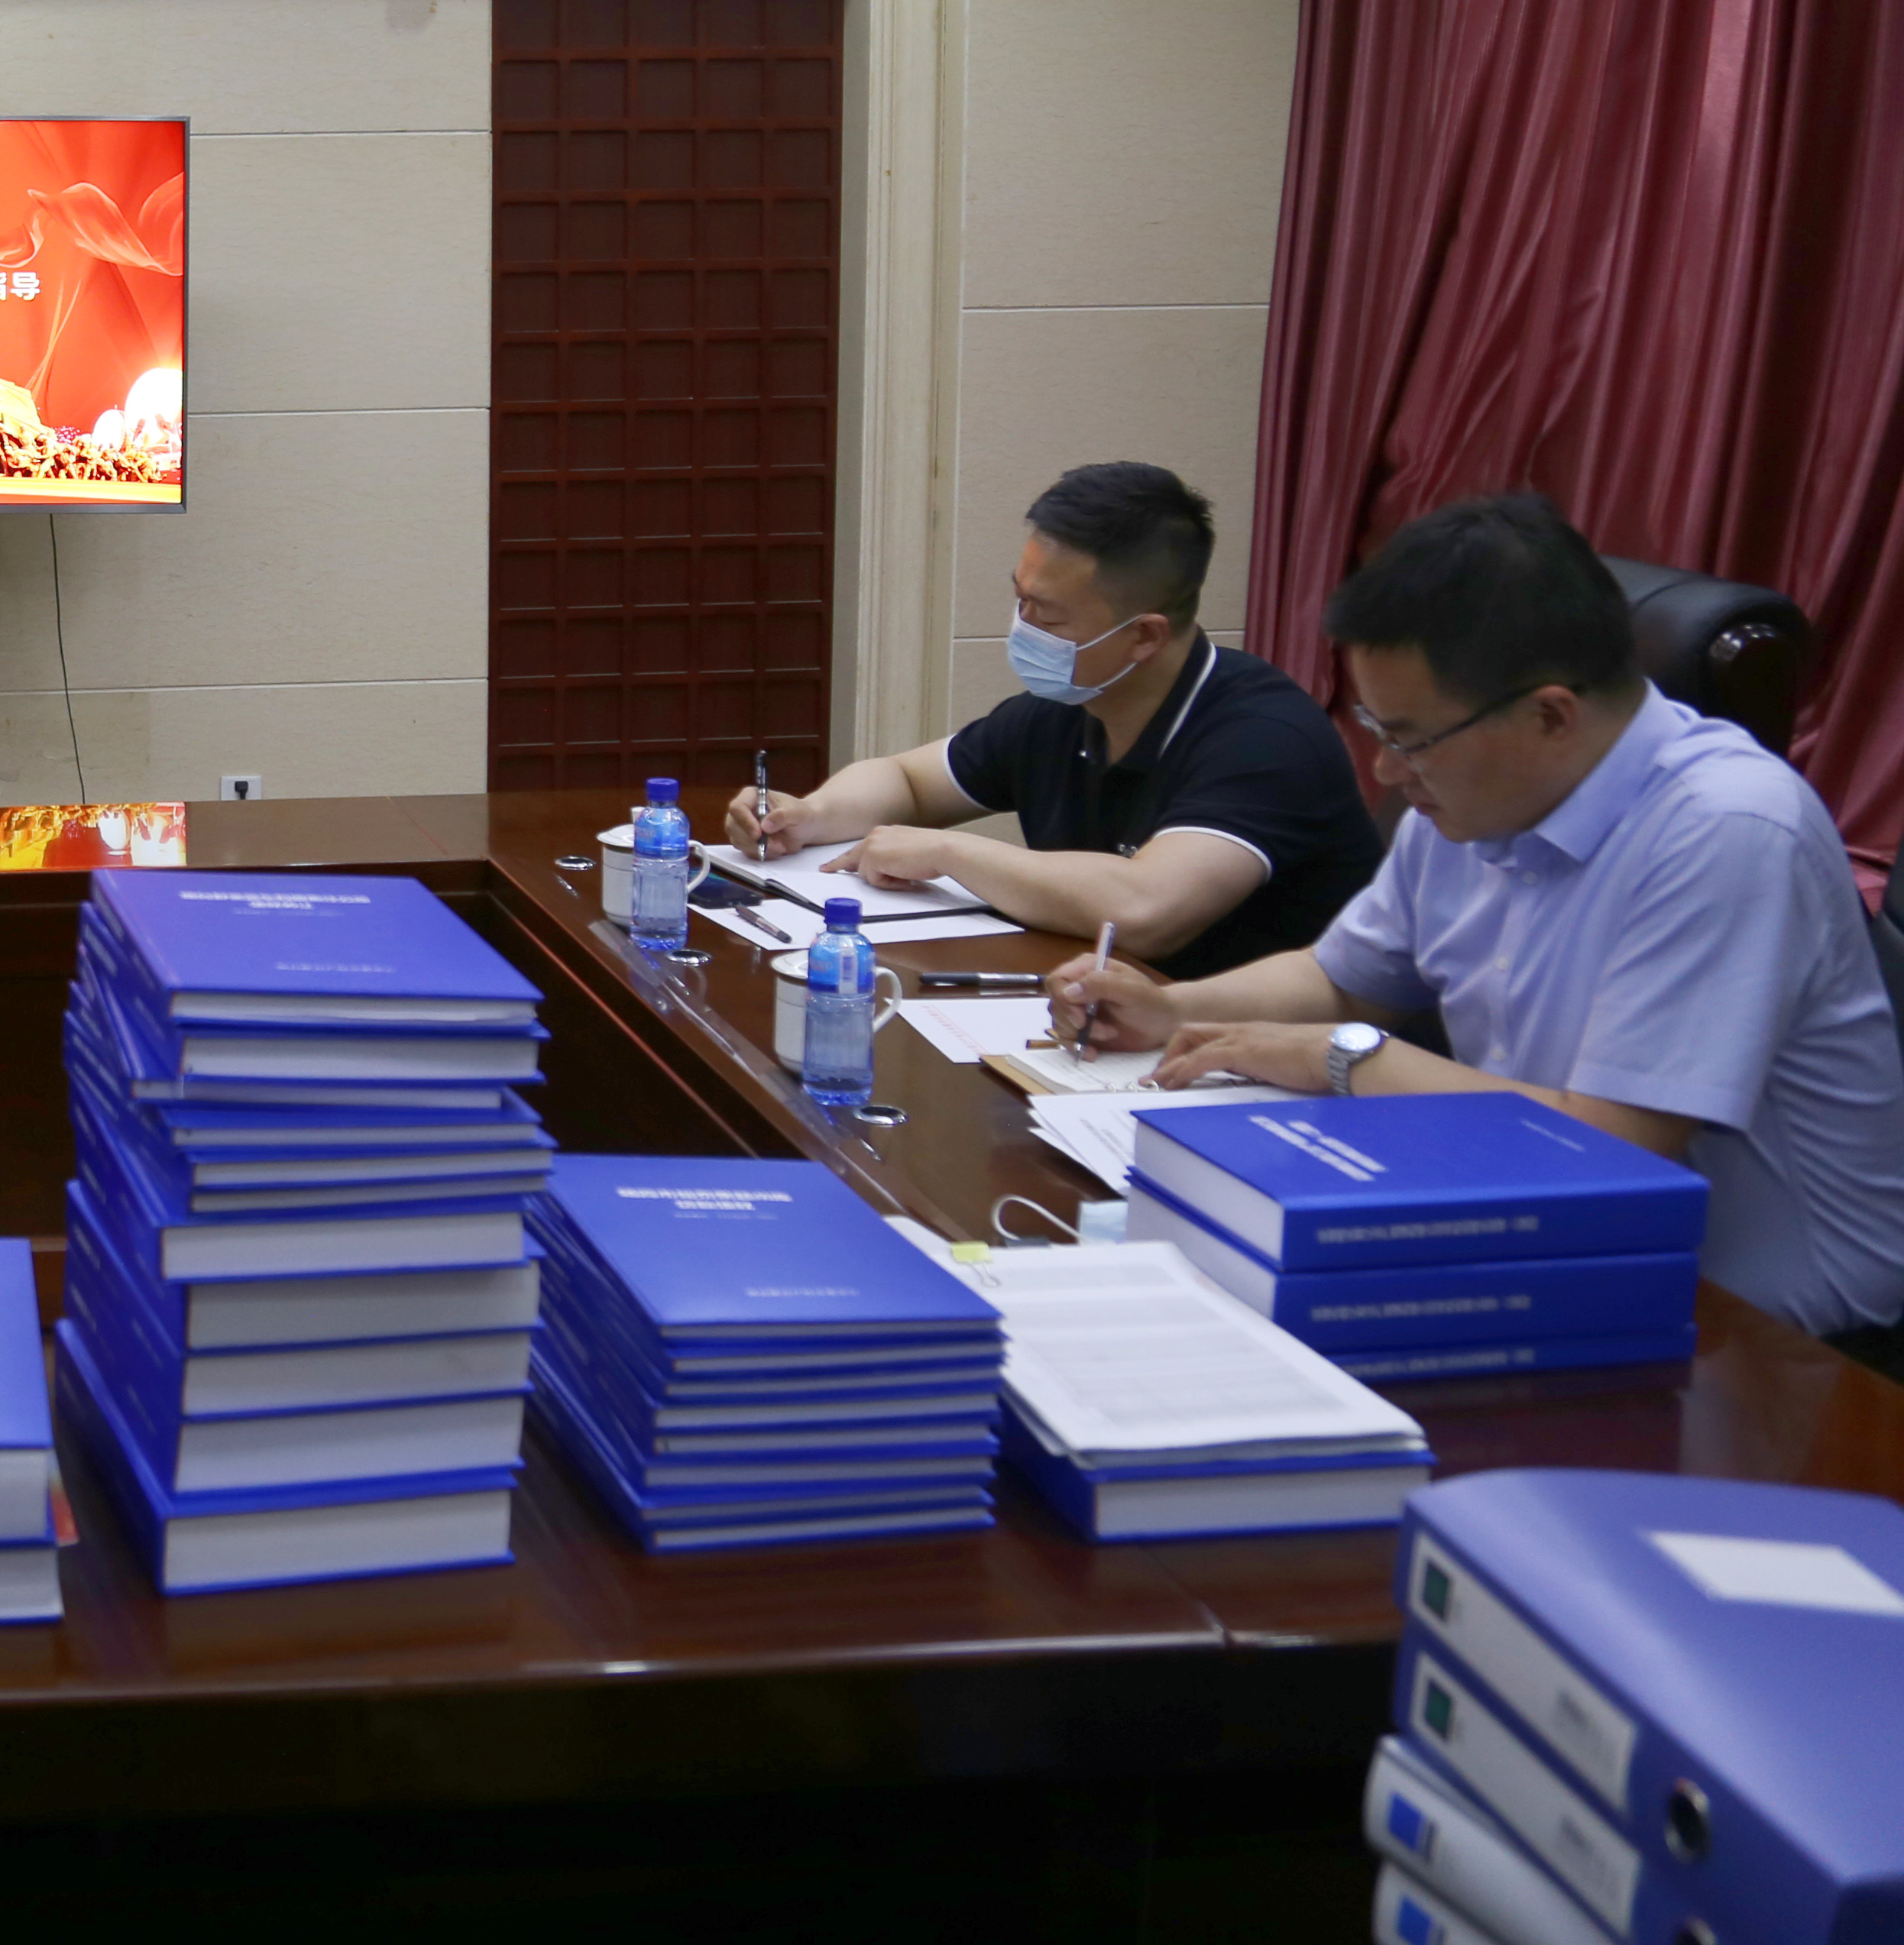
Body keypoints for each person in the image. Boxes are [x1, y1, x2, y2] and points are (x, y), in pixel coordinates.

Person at [1057, 493, 1904, 1351]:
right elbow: (1343, 977)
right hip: (1541, 1234)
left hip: (1780, 1336)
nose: (1387, 770)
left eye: (1410, 738)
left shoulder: (1726, 828)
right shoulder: (1476, 794)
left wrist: (1344, 1057)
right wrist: (1175, 1008)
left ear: (1551, 715)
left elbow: (1613, 1145)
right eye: (1374, 727)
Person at [724, 462, 1381, 973]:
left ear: (1145, 636)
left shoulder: (1265, 739)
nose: (1024, 628)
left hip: (1270, 1064)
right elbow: (909, 781)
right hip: (1106, 1023)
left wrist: (949, 852)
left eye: (1049, 615)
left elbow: (1147, 911)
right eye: (1021, 600)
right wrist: (810, 815)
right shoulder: (1066, 709)